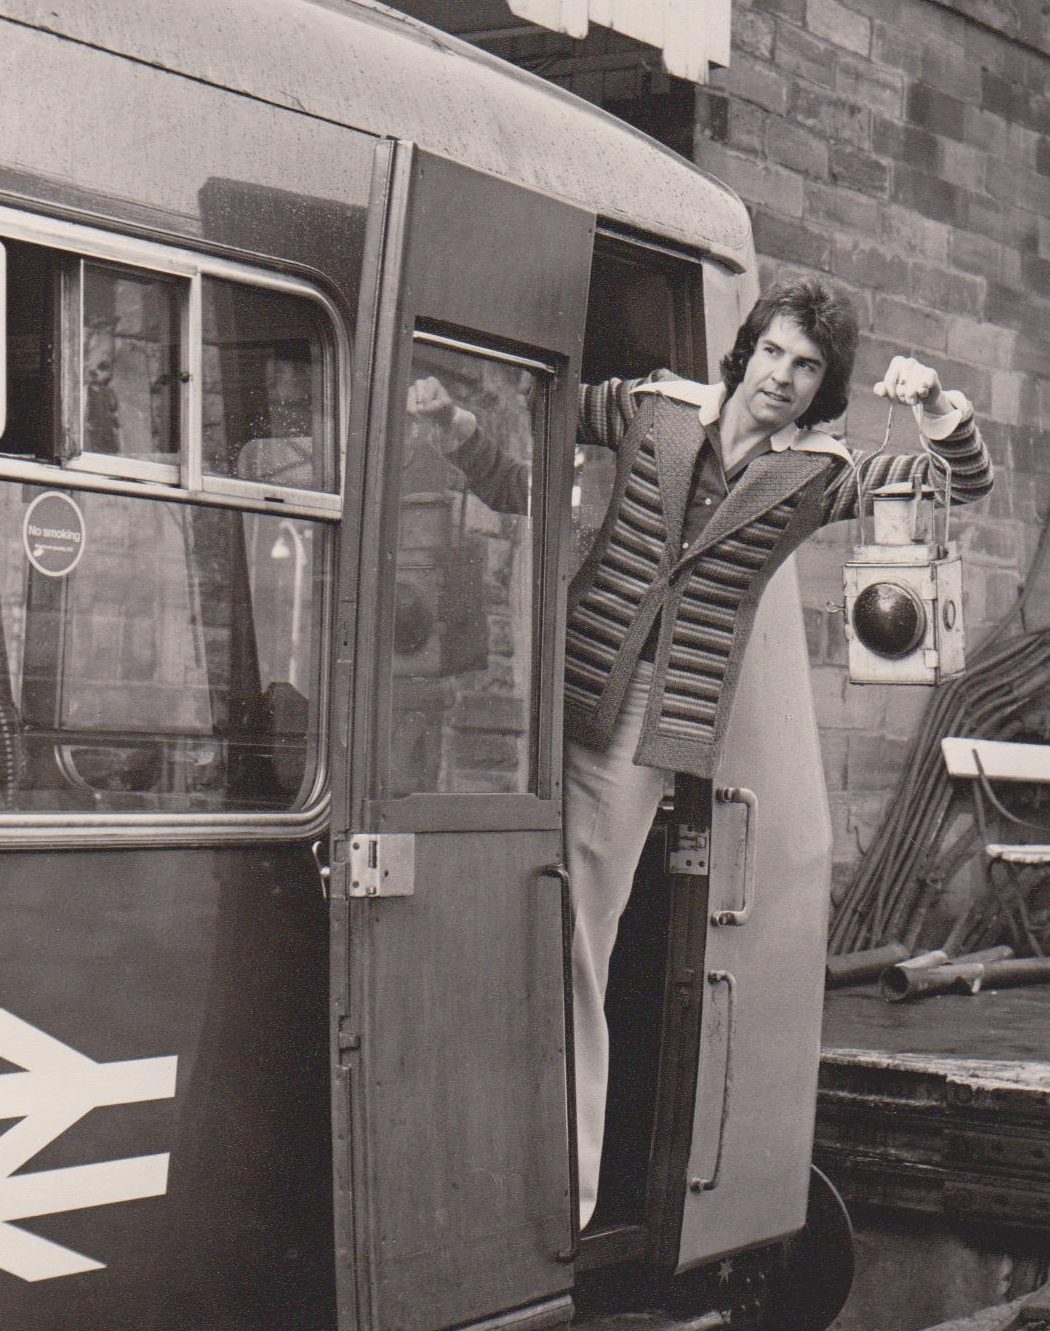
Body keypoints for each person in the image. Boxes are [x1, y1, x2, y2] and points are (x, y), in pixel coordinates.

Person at [408, 275, 993, 1229]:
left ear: (823, 385)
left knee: (578, 937)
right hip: (553, 685)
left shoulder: (820, 474)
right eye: (773, 352)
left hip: (649, 718)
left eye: (806, 367)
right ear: (747, 349)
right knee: (491, 906)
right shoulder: (653, 407)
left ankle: (563, 1193)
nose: (782, 377)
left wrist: (933, 406)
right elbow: (530, 431)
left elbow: (956, 483)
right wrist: (450, 419)